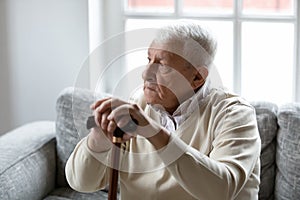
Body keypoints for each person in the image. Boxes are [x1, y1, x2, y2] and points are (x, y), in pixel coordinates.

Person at [65, 22, 261, 200]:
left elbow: (221, 190)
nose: (145, 73)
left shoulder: (235, 114)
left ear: (197, 78)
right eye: (149, 59)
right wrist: (98, 140)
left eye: (163, 66)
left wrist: (154, 133)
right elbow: (81, 183)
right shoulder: (139, 105)